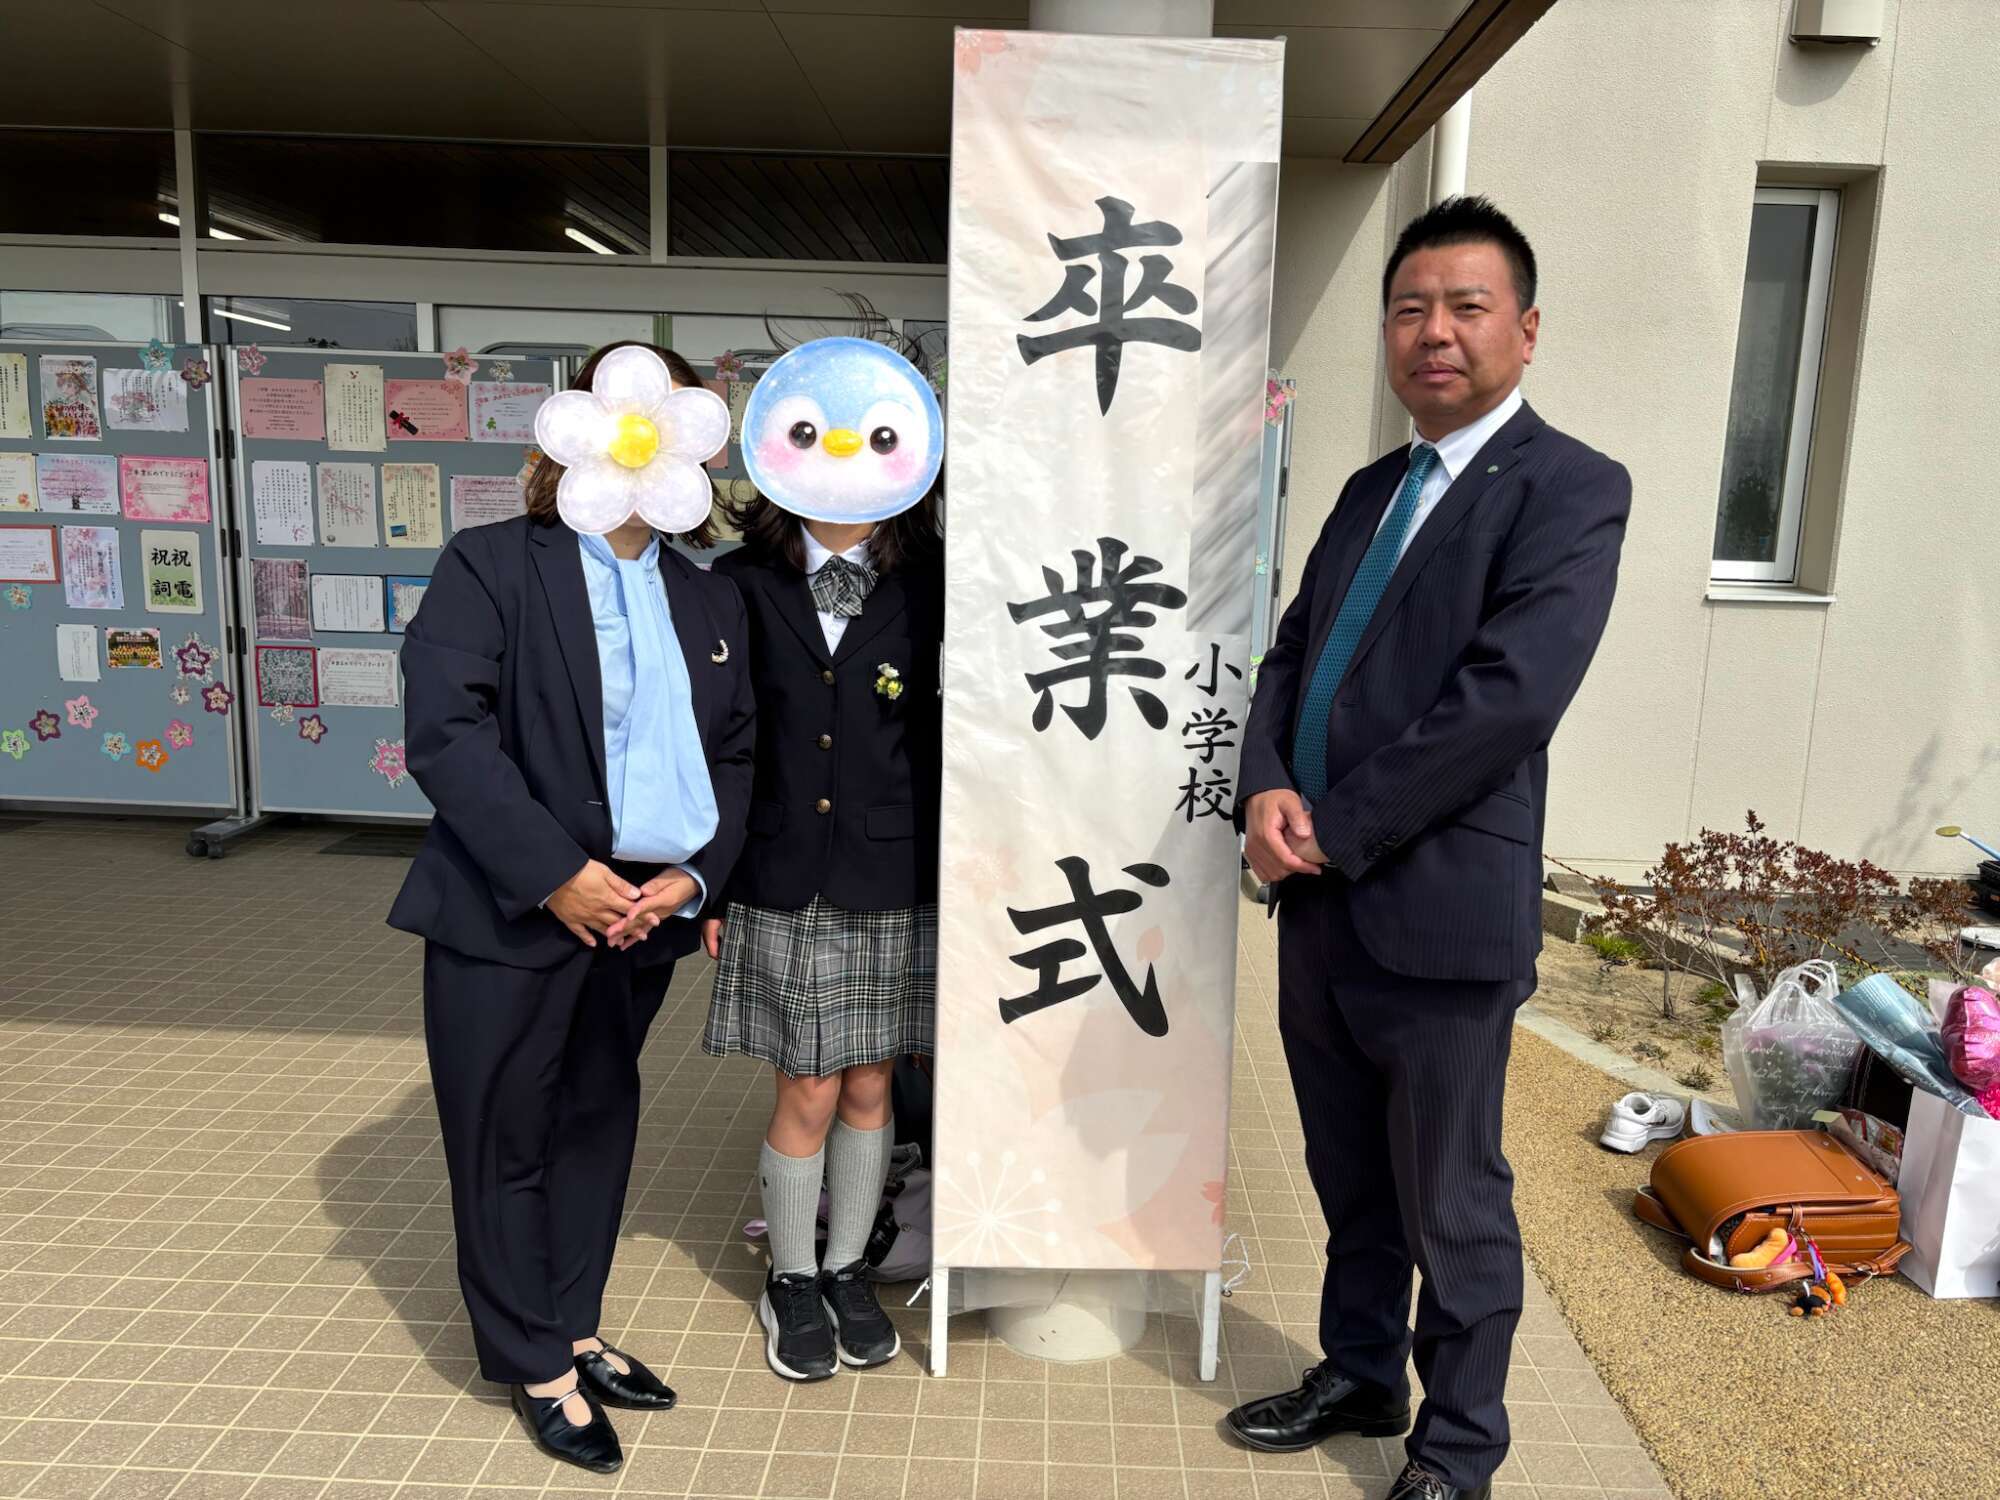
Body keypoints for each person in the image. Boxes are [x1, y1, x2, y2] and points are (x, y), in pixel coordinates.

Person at [1224, 197, 1630, 1500]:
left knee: (1450, 1198)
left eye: (1465, 307)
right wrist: (1264, 785)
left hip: (1439, 913)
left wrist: (1332, 828)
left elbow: (1505, 702)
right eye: (1409, 309)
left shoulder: (1570, 490)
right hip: (1321, 907)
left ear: (1526, 330)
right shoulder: (1369, 490)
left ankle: (1457, 1449)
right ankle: (1359, 1372)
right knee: (1349, 1175)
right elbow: (1293, 655)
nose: (1433, 332)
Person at [389, 342, 755, 1474]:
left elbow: (736, 752)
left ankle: (576, 1325)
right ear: (574, 435)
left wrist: (692, 879)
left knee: (597, 1119)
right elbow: (447, 732)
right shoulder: (494, 563)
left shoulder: (707, 593)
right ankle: (533, 1362)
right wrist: (556, 872)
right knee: (505, 1132)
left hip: (641, 915)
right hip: (512, 909)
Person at [702, 461, 943, 1383]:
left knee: (872, 1084)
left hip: (894, 868)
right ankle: (791, 1277)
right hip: (778, 866)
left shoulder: (935, 581)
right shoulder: (739, 582)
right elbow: (721, 742)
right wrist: (713, 884)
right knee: (807, 1085)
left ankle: (848, 1270)